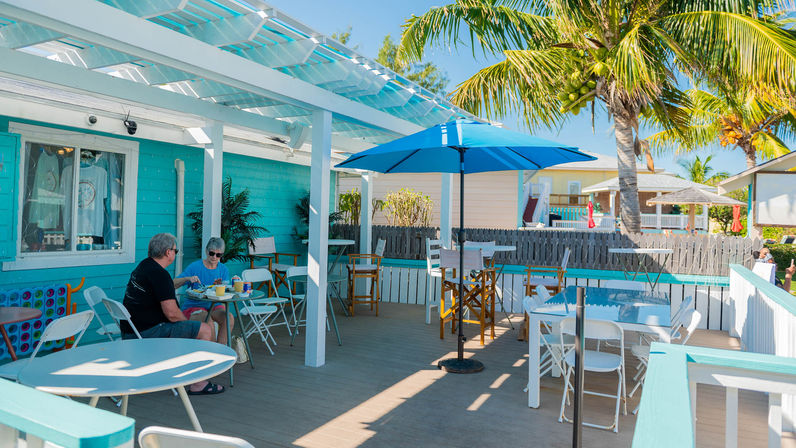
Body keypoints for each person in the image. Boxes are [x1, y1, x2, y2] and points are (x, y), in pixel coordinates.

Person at [122, 233, 224, 395]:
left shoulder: (143, 266)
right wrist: (187, 325)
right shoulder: (159, 274)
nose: (175, 254)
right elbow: (172, 313)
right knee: (204, 329)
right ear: (168, 252)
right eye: (175, 251)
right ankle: (198, 383)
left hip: (133, 330)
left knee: (197, 326)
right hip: (148, 333)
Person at [174, 237, 234, 345]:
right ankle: (213, 354)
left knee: (229, 318)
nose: (214, 257)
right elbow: (173, 284)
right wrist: (187, 278)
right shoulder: (195, 267)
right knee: (208, 323)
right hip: (194, 305)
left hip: (214, 305)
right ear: (206, 251)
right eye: (212, 253)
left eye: (218, 255)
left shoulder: (223, 269)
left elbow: (225, 292)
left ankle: (221, 351)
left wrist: (219, 287)